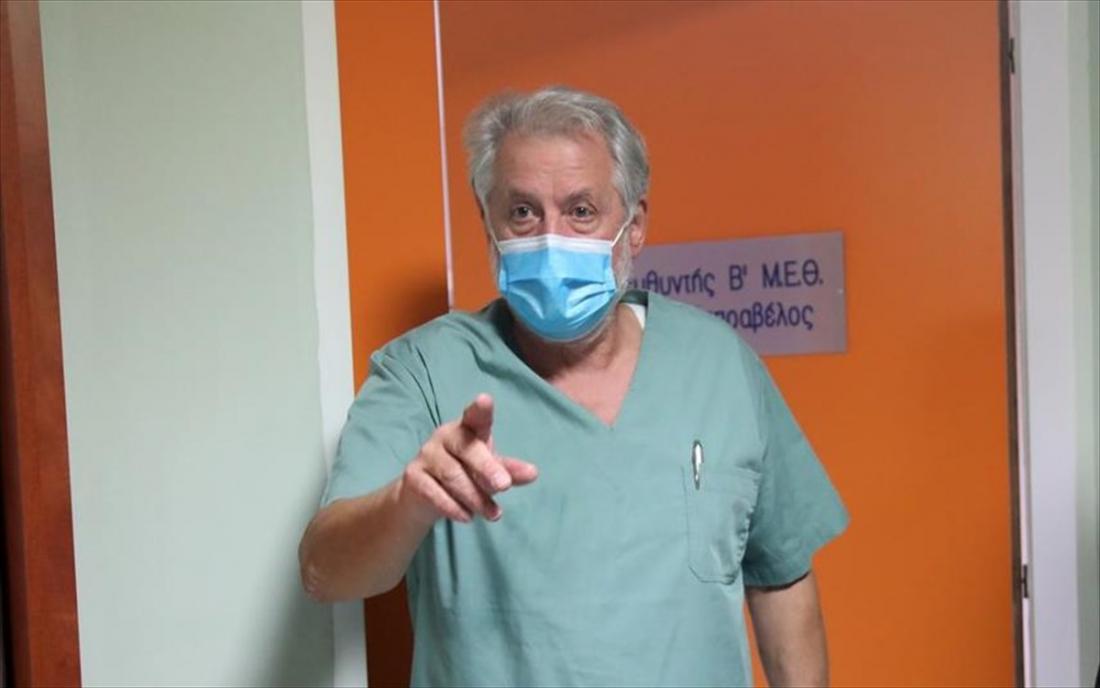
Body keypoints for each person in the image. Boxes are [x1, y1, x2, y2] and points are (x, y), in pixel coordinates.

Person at [298, 86, 848, 687]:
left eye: (581, 211)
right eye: (523, 212)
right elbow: (327, 571)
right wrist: (410, 500)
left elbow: (781, 573)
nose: (550, 238)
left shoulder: (718, 364)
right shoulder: (424, 372)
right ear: (488, 223)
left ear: (634, 225)